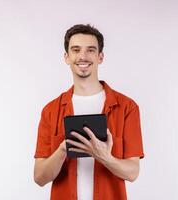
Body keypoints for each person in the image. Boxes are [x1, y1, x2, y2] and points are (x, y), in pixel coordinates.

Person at [34, 24, 144, 200]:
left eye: (90, 50)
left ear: (100, 57)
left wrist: (105, 157)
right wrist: (63, 149)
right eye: (76, 50)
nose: (83, 56)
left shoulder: (127, 108)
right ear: (67, 57)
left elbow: (133, 172)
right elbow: (39, 177)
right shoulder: (50, 111)